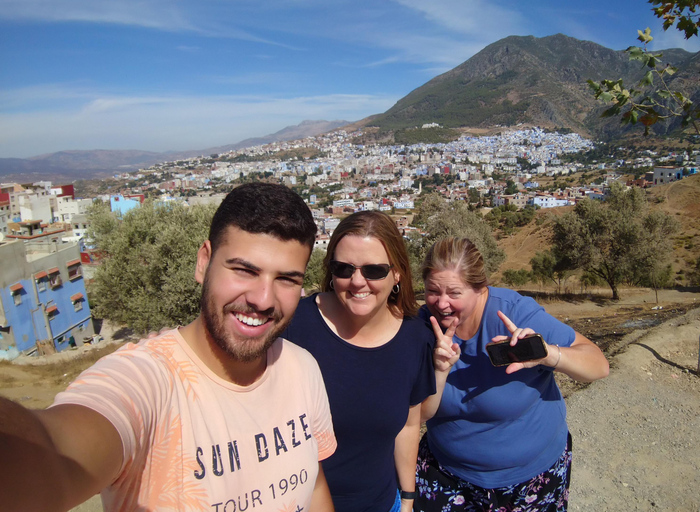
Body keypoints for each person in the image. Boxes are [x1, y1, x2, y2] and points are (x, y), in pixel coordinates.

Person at [0, 183, 337, 512]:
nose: (263, 300)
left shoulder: (301, 368)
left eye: (287, 279)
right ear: (203, 262)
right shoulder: (147, 382)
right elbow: (51, 456)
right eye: (244, 270)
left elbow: (314, 484)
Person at [415, 237, 610, 512]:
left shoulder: (515, 312)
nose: (442, 303)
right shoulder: (420, 327)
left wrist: (547, 354)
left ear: (480, 288)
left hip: (532, 478)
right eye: (433, 291)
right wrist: (439, 371)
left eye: (454, 293)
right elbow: (415, 416)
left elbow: (598, 365)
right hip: (448, 474)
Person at [282, 211, 436, 512]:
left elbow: (408, 423)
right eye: (343, 268)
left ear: (397, 274)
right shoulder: (293, 326)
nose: (356, 282)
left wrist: (407, 499)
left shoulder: (415, 336)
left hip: (382, 504)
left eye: (374, 271)